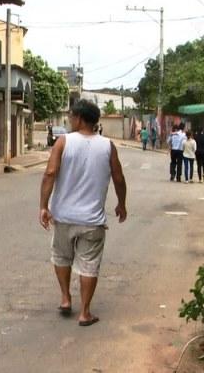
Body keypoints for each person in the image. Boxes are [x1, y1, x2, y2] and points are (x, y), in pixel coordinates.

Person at [39, 99, 127, 327]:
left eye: (70, 117)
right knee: (89, 264)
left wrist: (43, 205)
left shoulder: (63, 142)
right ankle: (85, 312)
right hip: (92, 221)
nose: (69, 121)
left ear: (78, 118)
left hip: (64, 216)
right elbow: (118, 178)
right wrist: (121, 204)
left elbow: (50, 173)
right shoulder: (108, 146)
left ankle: (66, 298)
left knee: (61, 257)